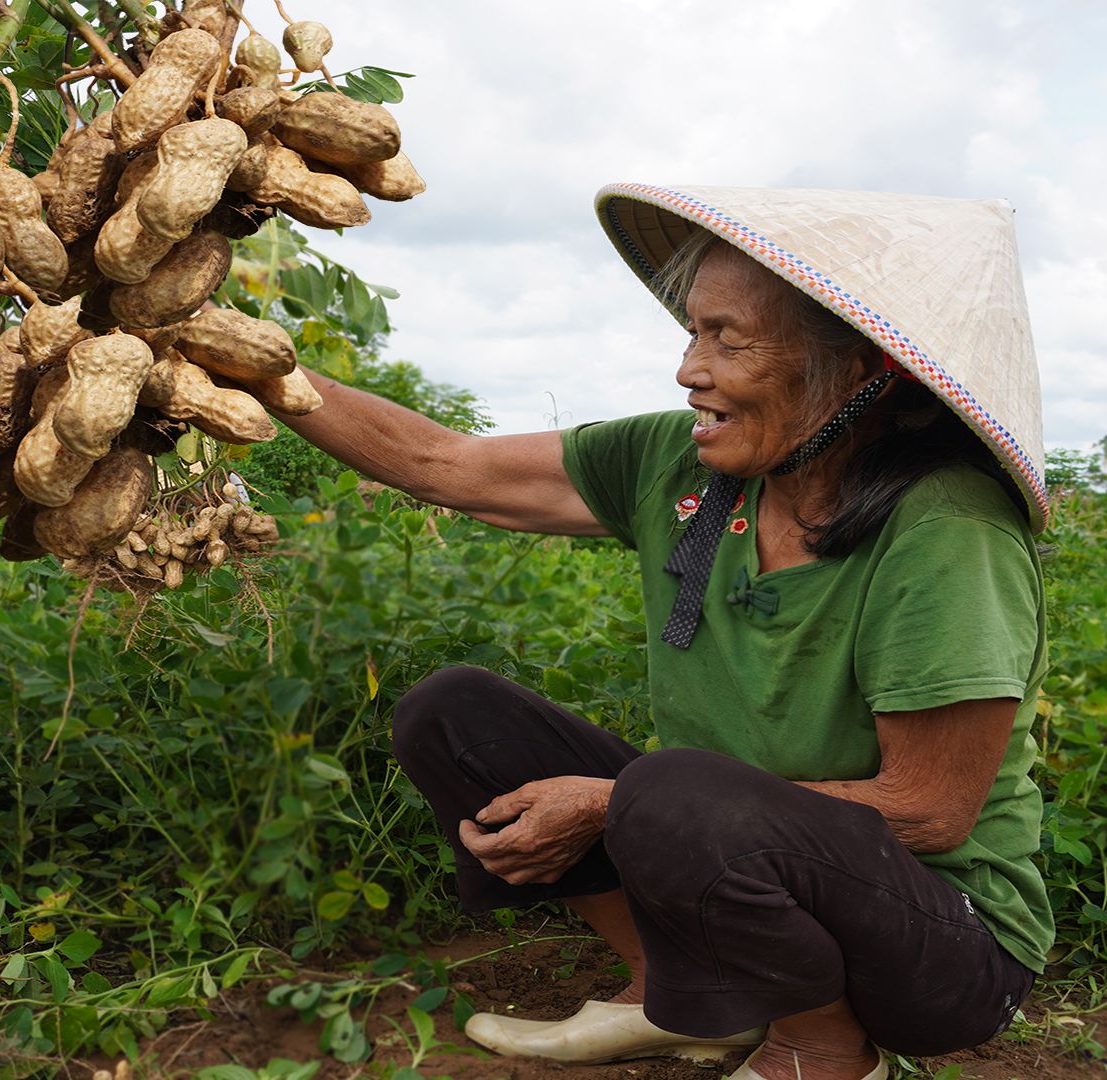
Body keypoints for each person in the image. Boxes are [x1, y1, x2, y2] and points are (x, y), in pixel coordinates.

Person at [270, 184, 1053, 1080]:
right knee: (459, 713)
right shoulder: (682, 464)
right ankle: (668, 995)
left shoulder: (947, 533)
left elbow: (928, 809)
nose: (690, 368)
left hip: (938, 942)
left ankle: (821, 1050)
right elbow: (443, 464)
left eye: (729, 338)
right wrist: (251, 367)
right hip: (732, 843)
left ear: (863, 369)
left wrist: (614, 801)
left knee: (672, 791)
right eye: (693, 331)